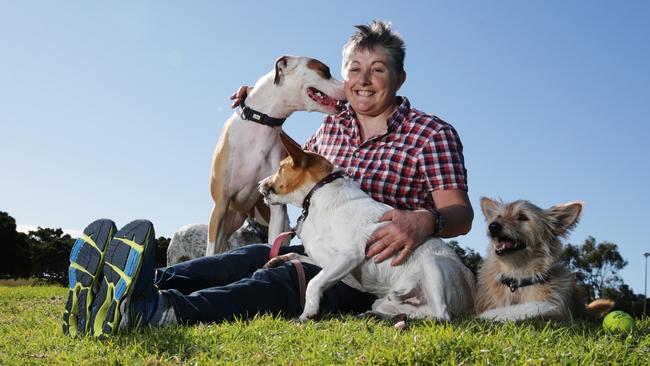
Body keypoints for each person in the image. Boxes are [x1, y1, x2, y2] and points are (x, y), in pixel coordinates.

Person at [62, 20, 473, 338]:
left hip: (373, 269)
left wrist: (425, 221)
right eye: (355, 70)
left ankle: (160, 310)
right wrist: (254, 104)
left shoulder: (430, 134)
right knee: (242, 259)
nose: (363, 80)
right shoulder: (329, 127)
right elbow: (284, 156)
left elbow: (460, 214)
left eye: (377, 69)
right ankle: (130, 284)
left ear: (399, 78)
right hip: (312, 243)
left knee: (280, 279)